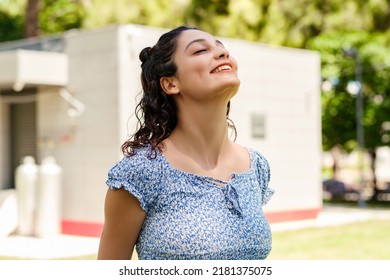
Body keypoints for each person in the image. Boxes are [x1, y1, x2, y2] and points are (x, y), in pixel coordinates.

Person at [97, 26, 274, 260]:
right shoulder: (140, 173)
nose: (223, 54)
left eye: (222, 48)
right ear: (171, 84)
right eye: (201, 50)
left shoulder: (255, 166)